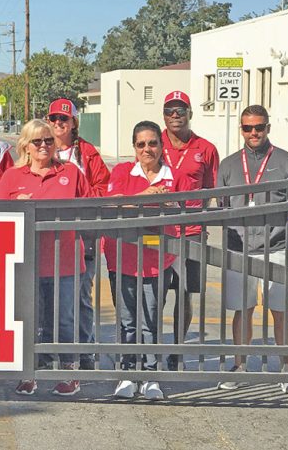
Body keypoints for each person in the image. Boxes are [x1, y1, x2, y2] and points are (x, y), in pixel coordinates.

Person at [0, 119, 91, 397]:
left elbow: (88, 205)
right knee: (28, 319)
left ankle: (68, 373)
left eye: (49, 140)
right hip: (25, 261)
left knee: (63, 319)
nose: (43, 146)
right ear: (25, 144)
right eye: (37, 141)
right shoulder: (12, 177)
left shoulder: (71, 172)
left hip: (65, 260)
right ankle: (28, 373)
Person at [216, 105, 288, 394]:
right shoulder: (228, 165)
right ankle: (239, 366)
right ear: (241, 129)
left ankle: (286, 369)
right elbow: (221, 208)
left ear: (268, 127)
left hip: (277, 249)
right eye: (247, 128)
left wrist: (278, 233)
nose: (253, 133)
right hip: (238, 249)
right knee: (242, 310)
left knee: (280, 310)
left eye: (259, 127)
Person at [105, 121, 192, 400]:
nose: (147, 149)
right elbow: (111, 204)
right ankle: (127, 373)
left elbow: (188, 210)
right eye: (141, 144)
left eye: (152, 143)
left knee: (152, 319)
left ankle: (151, 375)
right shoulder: (121, 171)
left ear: (161, 145)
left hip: (158, 260)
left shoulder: (174, 175)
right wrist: (144, 197)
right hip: (122, 257)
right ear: (134, 147)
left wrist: (170, 205)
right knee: (127, 321)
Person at [46, 97, 110, 371]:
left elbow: (103, 189)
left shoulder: (87, 153)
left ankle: (84, 351)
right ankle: (48, 352)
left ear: (74, 123)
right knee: (47, 297)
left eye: (64, 119)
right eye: (54, 119)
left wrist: (74, 194)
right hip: (48, 237)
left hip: (83, 236)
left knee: (81, 295)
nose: (59, 124)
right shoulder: (41, 147)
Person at [160, 90, 220, 370]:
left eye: (180, 110)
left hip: (191, 231)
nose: (175, 115)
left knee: (185, 293)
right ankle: (149, 347)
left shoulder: (205, 148)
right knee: (155, 293)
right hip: (158, 231)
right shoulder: (154, 142)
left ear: (189, 113)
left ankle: (177, 348)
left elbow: (211, 189)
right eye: (170, 110)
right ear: (164, 115)